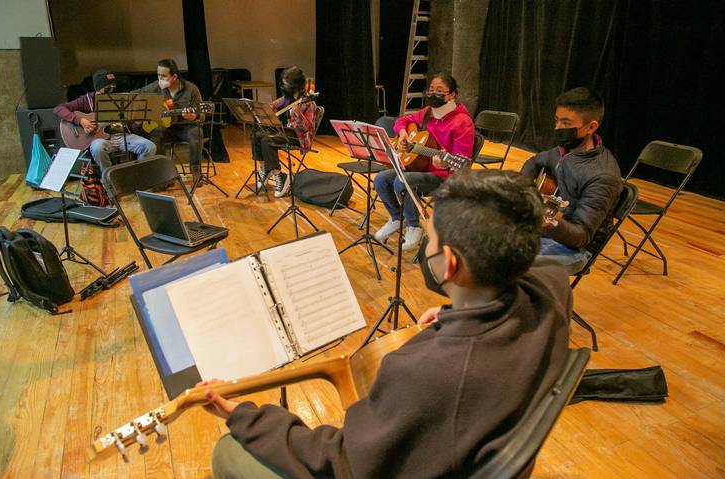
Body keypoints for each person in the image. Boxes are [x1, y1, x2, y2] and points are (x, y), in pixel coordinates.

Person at [199, 169, 571, 478]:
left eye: (430, 239)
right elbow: (536, 269)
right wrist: (451, 312)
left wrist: (246, 415)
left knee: (229, 453)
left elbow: (342, 463)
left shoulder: (424, 373)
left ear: (450, 265)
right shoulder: (553, 286)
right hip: (476, 434)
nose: (426, 246)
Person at [520, 86, 622, 274]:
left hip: (574, 249)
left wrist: (549, 221)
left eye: (566, 123)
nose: (558, 128)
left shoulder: (603, 176)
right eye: (557, 121)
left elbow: (581, 235)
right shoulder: (563, 151)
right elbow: (533, 162)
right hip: (542, 231)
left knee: (509, 264)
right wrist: (524, 190)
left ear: (591, 127)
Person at [373, 72, 475, 251]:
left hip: (443, 177)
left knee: (402, 181)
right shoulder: (428, 113)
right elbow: (402, 121)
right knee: (381, 179)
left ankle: (414, 227)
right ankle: (397, 218)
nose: (434, 94)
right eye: (431, 90)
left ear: (452, 94)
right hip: (421, 167)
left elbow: (463, 161)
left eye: (440, 91)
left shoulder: (462, 122)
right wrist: (402, 132)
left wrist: (444, 164)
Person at [54, 69, 157, 175]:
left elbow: (132, 128)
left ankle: (138, 176)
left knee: (149, 146)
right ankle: (109, 178)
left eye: (113, 87)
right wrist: (81, 121)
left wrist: (138, 122)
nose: (111, 90)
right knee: (98, 147)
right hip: (100, 139)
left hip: (121, 136)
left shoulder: (121, 100)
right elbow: (59, 109)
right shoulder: (88, 100)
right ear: (98, 88)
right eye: (107, 88)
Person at [133, 59, 208, 181]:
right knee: (155, 135)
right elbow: (134, 95)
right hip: (167, 128)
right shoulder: (155, 87)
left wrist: (194, 116)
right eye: (158, 75)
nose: (160, 79)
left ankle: (196, 171)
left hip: (186, 127)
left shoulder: (191, 89)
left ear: (174, 77)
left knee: (196, 132)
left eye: (163, 76)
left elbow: (202, 115)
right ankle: (167, 172)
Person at [252, 66, 317, 198]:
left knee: (268, 140)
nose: (284, 85)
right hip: (285, 131)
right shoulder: (286, 98)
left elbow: (307, 127)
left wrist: (298, 114)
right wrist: (264, 111)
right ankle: (264, 168)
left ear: (295, 84)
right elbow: (270, 106)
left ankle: (279, 176)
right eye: (283, 82)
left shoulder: (308, 103)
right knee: (256, 134)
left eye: (286, 82)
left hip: (298, 137)